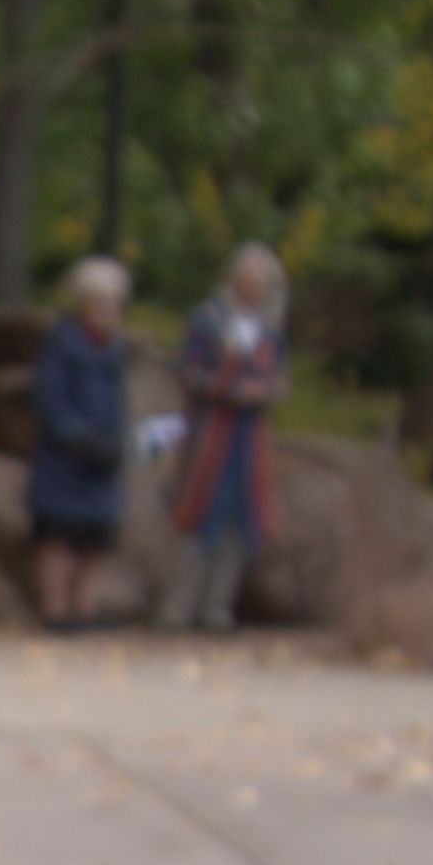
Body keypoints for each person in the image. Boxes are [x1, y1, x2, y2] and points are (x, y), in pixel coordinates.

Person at [166, 242, 289, 628]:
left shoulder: (270, 329)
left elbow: (278, 377)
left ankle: (217, 607)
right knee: (198, 515)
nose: (252, 286)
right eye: (246, 278)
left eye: (260, 281)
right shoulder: (208, 320)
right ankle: (176, 606)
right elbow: (188, 370)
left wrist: (268, 390)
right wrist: (228, 387)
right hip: (212, 432)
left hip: (249, 437)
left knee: (241, 522)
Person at [26, 255, 136, 626]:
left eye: (114, 303)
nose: (108, 311)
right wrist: (77, 437)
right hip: (65, 456)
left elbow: (120, 402)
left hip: (104, 455)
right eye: (101, 303)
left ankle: (84, 604)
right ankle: (54, 608)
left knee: (96, 537)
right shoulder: (61, 344)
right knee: (57, 534)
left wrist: (117, 442)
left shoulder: (116, 350)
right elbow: (50, 398)